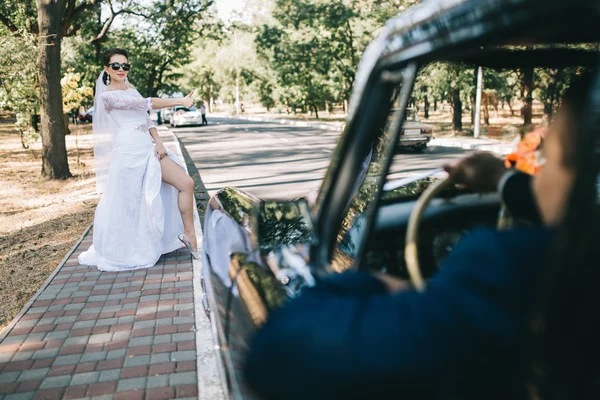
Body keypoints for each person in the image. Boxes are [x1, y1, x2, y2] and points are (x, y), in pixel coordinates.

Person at [243, 74, 594, 399]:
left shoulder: (508, 264)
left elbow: (278, 351)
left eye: (546, 159)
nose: (540, 174)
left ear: (580, 172)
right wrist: (500, 179)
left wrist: (375, 284)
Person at [79, 48, 199, 272]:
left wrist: (159, 142)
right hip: (128, 152)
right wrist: (180, 100)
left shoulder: (131, 89)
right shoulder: (107, 96)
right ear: (107, 69)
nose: (121, 69)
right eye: (116, 66)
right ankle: (133, 245)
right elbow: (146, 104)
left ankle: (189, 235)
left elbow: (145, 117)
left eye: (125, 65)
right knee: (131, 203)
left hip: (148, 147)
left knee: (186, 183)